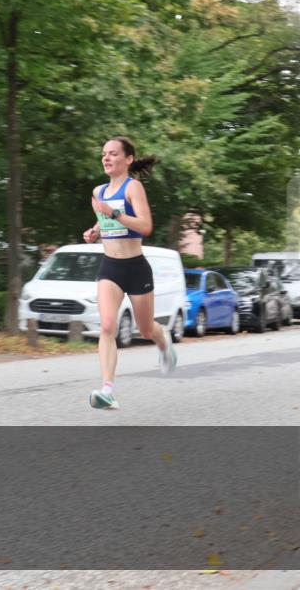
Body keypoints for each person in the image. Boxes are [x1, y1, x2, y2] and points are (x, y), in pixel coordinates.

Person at [82, 136, 177, 410]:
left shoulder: (133, 188)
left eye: (113, 153)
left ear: (128, 159)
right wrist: (95, 231)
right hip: (110, 266)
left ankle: (163, 341)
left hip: (136, 267)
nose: (106, 158)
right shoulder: (98, 192)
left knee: (146, 329)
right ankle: (107, 390)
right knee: (108, 326)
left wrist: (113, 214)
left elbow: (146, 226)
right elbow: (103, 219)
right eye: (103, 154)